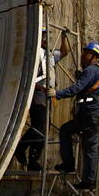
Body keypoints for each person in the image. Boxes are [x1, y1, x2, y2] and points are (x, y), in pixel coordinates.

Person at [53, 41, 99, 189]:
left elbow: (77, 88)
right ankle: (88, 180)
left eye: (85, 53)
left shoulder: (91, 71)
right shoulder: (94, 71)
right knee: (89, 147)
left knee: (71, 134)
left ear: (92, 56)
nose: (82, 56)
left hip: (89, 114)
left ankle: (71, 166)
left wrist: (57, 94)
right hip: (89, 114)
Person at [18, 29, 71, 170]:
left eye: (47, 37)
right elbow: (27, 76)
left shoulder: (49, 55)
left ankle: (33, 160)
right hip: (38, 93)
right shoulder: (33, 55)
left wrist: (64, 38)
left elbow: (64, 52)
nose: (47, 40)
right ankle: (20, 148)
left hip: (48, 94)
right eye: (44, 37)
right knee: (39, 125)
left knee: (44, 128)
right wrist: (38, 88)